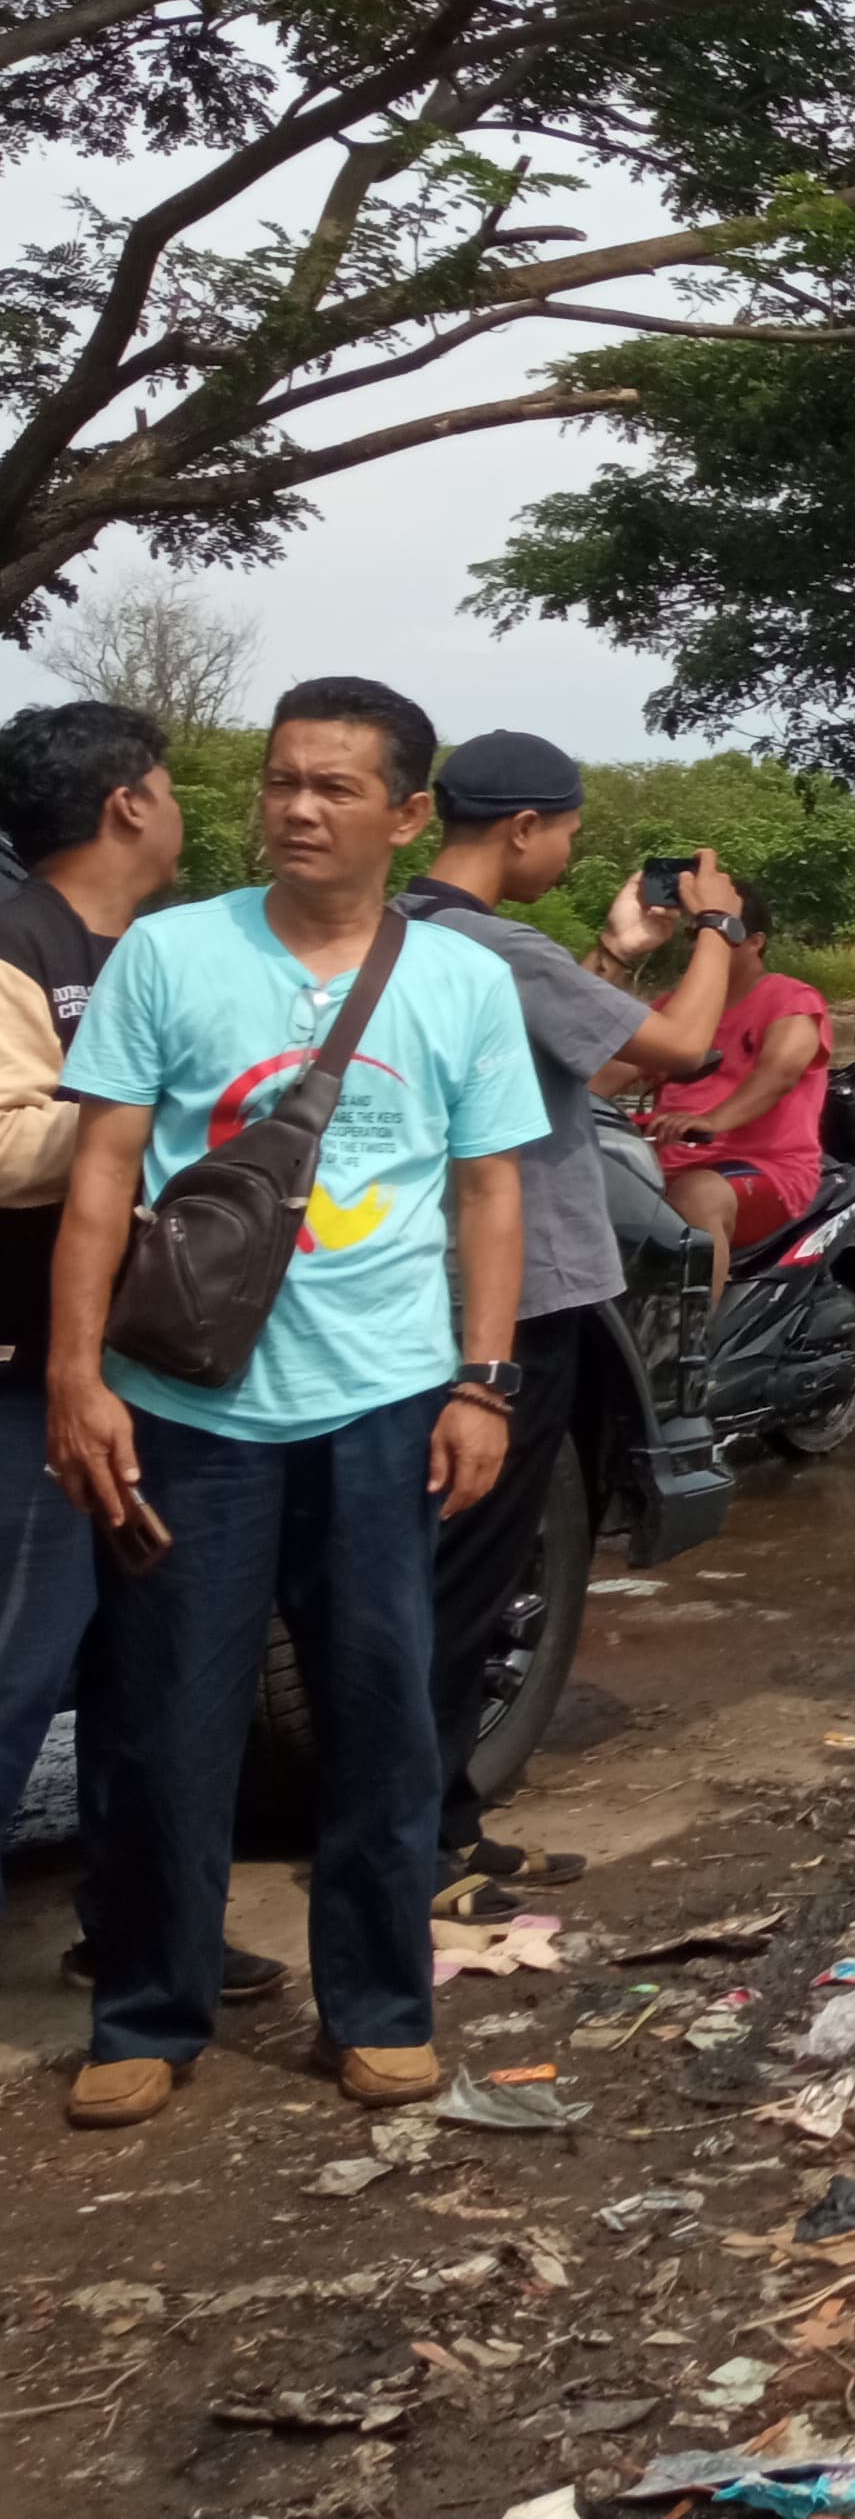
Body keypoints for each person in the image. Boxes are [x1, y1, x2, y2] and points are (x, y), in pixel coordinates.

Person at [45, 678, 541, 2129]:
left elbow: (490, 1189)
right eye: (278, 783)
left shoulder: (457, 982)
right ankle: (145, 2012)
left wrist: (486, 1379)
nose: (298, 809)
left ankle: (380, 2007)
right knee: (160, 1723)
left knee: (382, 1719)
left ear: (402, 814)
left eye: (332, 788)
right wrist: (81, 1379)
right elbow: (100, 1178)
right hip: (186, 1405)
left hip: (382, 1406)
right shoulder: (172, 955)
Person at [408, 734, 749, 1912]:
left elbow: (583, 1072)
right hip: (521, 1298)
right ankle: (425, 1841)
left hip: (423, 1295)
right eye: (566, 829)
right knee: (465, 1577)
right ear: (520, 829)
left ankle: (440, 1814)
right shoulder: (493, 943)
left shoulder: (414, 933)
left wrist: (616, 950)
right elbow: (676, 1050)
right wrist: (717, 930)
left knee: (444, 1569)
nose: (569, 847)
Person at [0, 707, 230, 1981]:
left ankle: (138, 1937)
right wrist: (141, 1122)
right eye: (170, 783)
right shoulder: (16, 944)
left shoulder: (151, 950)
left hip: (151, 1375)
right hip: (28, 1375)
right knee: (13, 1668)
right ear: (129, 803)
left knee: (145, 1680)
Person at [638, 877, 828, 1296]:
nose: (705, 941)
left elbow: (779, 1074)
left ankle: (692, 1350)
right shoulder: (672, 1009)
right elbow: (604, 1071)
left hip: (766, 1169)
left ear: (755, 941)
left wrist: (710, 1120)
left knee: (698, 1195)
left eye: (723, 928)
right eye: (697, 931)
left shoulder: (790, 998)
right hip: (658, 1168)